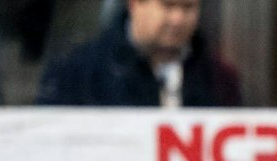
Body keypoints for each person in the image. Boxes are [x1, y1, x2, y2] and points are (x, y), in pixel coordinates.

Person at [36, 0, 241, 108]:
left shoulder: (219, 78)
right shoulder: (79, 73)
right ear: (135, 4)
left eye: (188, 7)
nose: (178, 19)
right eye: (167, 6)